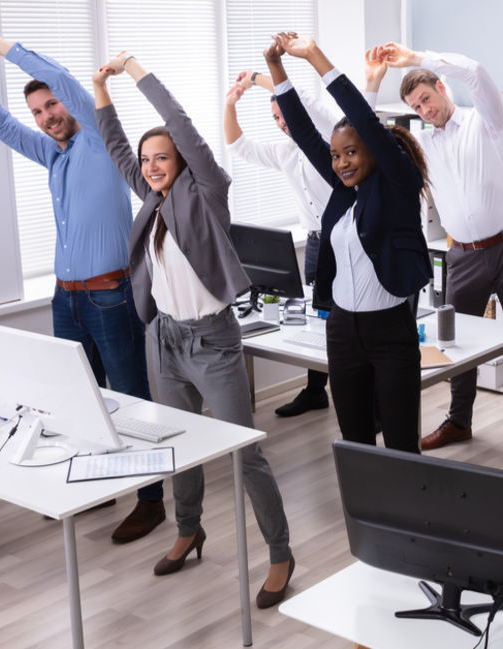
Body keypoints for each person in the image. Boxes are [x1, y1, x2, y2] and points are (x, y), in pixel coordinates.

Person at [92, 51, 294, 608]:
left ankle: (280, 553)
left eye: (163, 157)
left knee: (244, 452)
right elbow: (113, 146)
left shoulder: (206, 190)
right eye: (147, 160)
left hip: (212, 342)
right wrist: (99, 90)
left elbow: (178, 121)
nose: (153, 166)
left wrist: (133, 71)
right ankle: (188, 529)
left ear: (181, 159)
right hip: (165, 340)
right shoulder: (150, 199)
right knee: (176, 443)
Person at [0, 30, 165, 544]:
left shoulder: (98, 138)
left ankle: (152, 500)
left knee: (131, 397)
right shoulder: (54, 154)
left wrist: (1, 48)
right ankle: (99, 486)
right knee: (80, 401)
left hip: (110, 294)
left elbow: (70, 84)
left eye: (52, 105)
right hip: (66, 298)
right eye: (40, 112)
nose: (49, 116)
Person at [368, 42, 503, 465]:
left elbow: (477, 72)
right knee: (457, 341)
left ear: (441, 87)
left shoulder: (485, 121)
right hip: (462, 255)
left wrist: (415, 59)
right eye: (415, 105)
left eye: (426, 98)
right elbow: (369, 136)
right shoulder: (422, 145)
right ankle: (459, 419)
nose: (424, 109)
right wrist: (373, 82)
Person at [264, 33, 431, 453]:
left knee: (400, 445)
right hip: (342, 332)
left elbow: (364, 119)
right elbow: (302, 130)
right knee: (354, 442)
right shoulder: (343, 192)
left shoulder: (397, 185)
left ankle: (407, 518)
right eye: (336, 155)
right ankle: (365, 520)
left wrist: (315, 57)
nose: (341, 163)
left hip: (389, 331)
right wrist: (276, 69)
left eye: (351, 152)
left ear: (374, 152)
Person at [222, 56, 358, 418]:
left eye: (286, 115)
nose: (283, 124)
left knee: (353, 315)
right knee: (320, 315)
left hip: (347, 239)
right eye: (276, 119)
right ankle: (316, 391)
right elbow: (238, 146)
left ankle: (366, 395)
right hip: (315, 243)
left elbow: (300, 99)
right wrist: (230, 104)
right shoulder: (284, 153)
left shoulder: (332, 142)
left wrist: (254, 77)